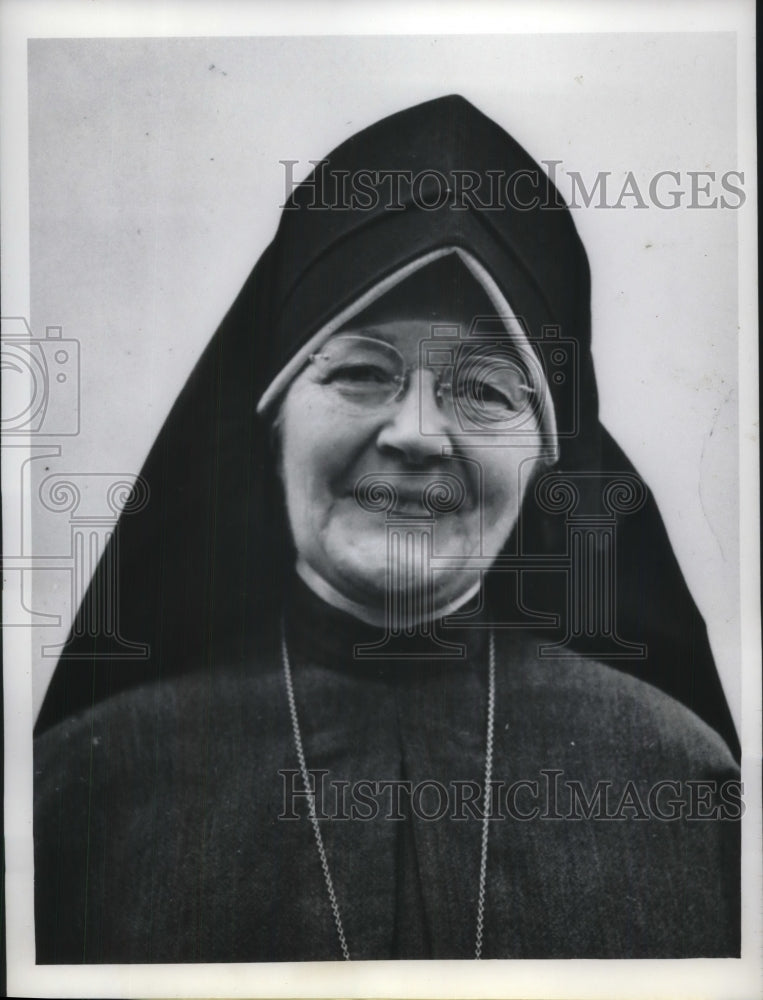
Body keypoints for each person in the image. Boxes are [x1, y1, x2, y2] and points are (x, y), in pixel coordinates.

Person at [34, 95, 740, 963]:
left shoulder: (681, 784)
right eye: (364, 370)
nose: (414, 434)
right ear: (271, 418)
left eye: (483, 388)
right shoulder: (80, 795)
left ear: (549, 453)